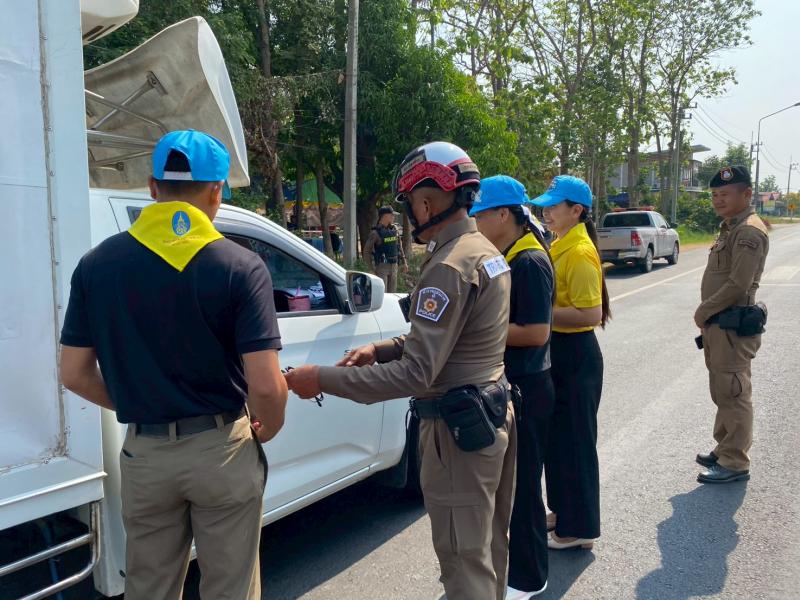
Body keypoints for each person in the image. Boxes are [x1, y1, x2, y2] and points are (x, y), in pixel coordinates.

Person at [59, 130, 288, 600]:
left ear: (152, 187)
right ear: (216, 191)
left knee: (150, 589)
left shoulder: (95, 266)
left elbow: (74, 373)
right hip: (220, 448)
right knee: (230, 588)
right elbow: (266, 386)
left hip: (145, 455)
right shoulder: (240, 266)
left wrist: (137, 402)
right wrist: (269, 424)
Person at [285, 141, 516, 600]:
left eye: (410, 203)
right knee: (487, 550)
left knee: (463, 561)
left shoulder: (449, 266)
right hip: (490, 415)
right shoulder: (483, 251)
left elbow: (416, 375)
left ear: (426, 204)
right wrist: (382, 348)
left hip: (458, 432)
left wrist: (320, 378)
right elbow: (454, 338)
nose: (409, 213)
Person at [471, 175, 554, 599]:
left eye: (480, 214)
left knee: (522, 490)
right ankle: (505, 570)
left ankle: (529, 578)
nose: (476, 223)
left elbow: (537, 332)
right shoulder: (506, 256)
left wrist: (476, 330)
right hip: (511, 384)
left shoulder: (529, 261)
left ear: (504, 214)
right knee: (505, 489)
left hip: (529, 387)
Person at [531, 175, 610, 551]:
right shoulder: (561, 243)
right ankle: (563, 512)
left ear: (576, 210)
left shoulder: (578, 251)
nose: (546, 212)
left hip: (576, 355)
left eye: (554, 206)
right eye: (545, 206)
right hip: (560, 352)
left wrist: (539, 314)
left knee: (575, 444)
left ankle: (579, 529)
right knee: (558, 442)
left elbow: (590, 313)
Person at [694, 165, 769, 484]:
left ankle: (735, 462)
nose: (718, 200)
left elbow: (739, 285)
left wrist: (703, 310)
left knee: (734, 392)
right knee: (723, 390)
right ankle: (725, 448)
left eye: (724, 194)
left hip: (731, 325)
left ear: (747, 194)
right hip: (719, 325)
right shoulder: (731, 228)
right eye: (714, 194)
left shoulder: (748, 231)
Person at [363, 206, 407, 292]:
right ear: (385, 216)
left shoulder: (394, 230)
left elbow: (399, 246)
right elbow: (366, 251)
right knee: (382, 293)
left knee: (392, 294)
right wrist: (371, 269)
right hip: (382, 267)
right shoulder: (375, 233)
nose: (393, 217)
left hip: (394, 266)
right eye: (391, 215)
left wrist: (404, 262)